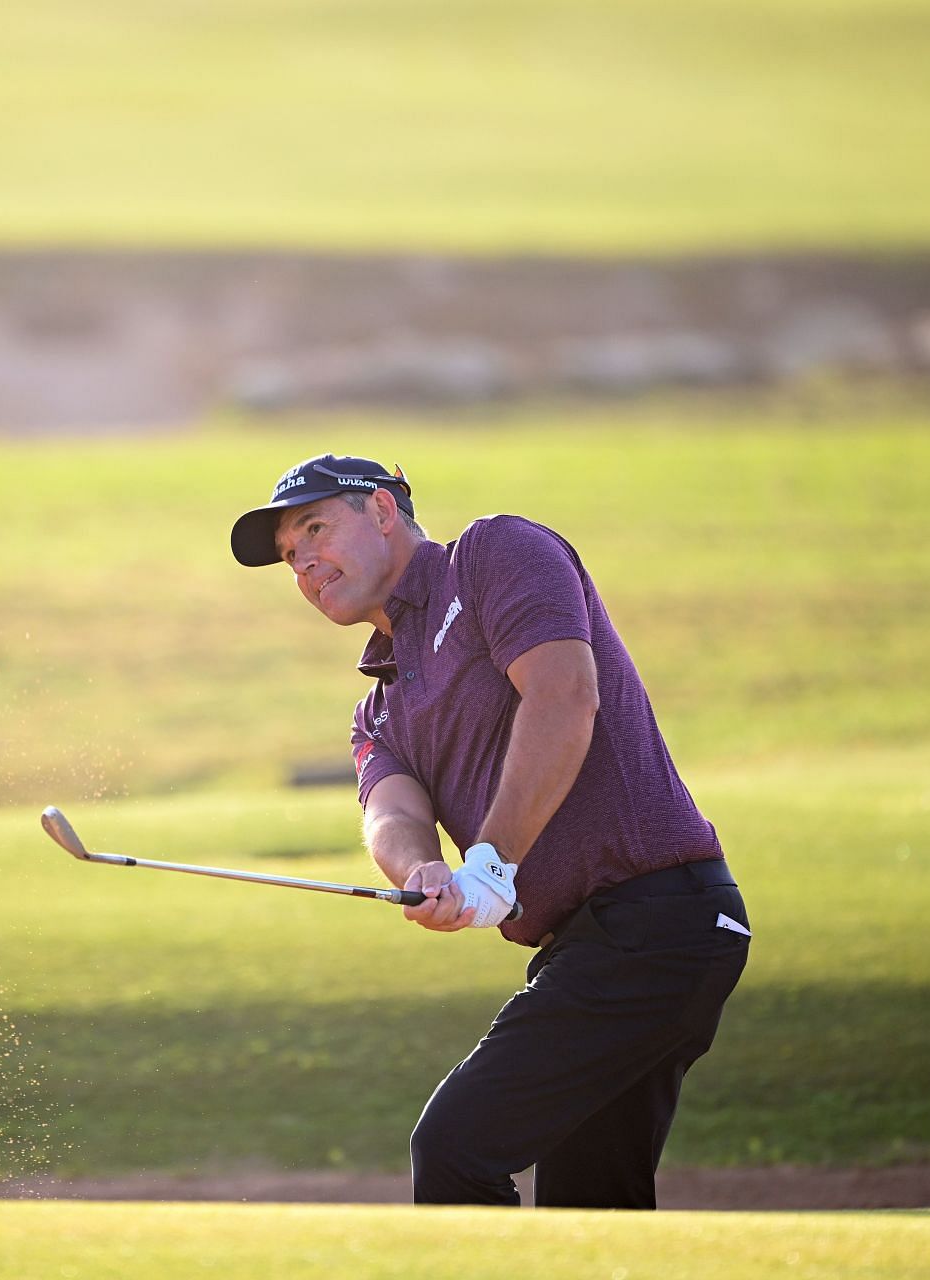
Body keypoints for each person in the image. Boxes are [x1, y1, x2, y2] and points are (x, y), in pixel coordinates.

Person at [230, 453, 750, 1210]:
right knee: (594, 1212)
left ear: (381, 511)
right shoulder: (379, 708)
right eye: (288, 557)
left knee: (454, 1148)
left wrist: (492, 861)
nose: (304, 562)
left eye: (315, 529)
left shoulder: (493, 555)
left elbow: (564, 694)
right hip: (598, 944)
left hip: (659, 919)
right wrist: (421, 872)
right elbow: (393, 813)